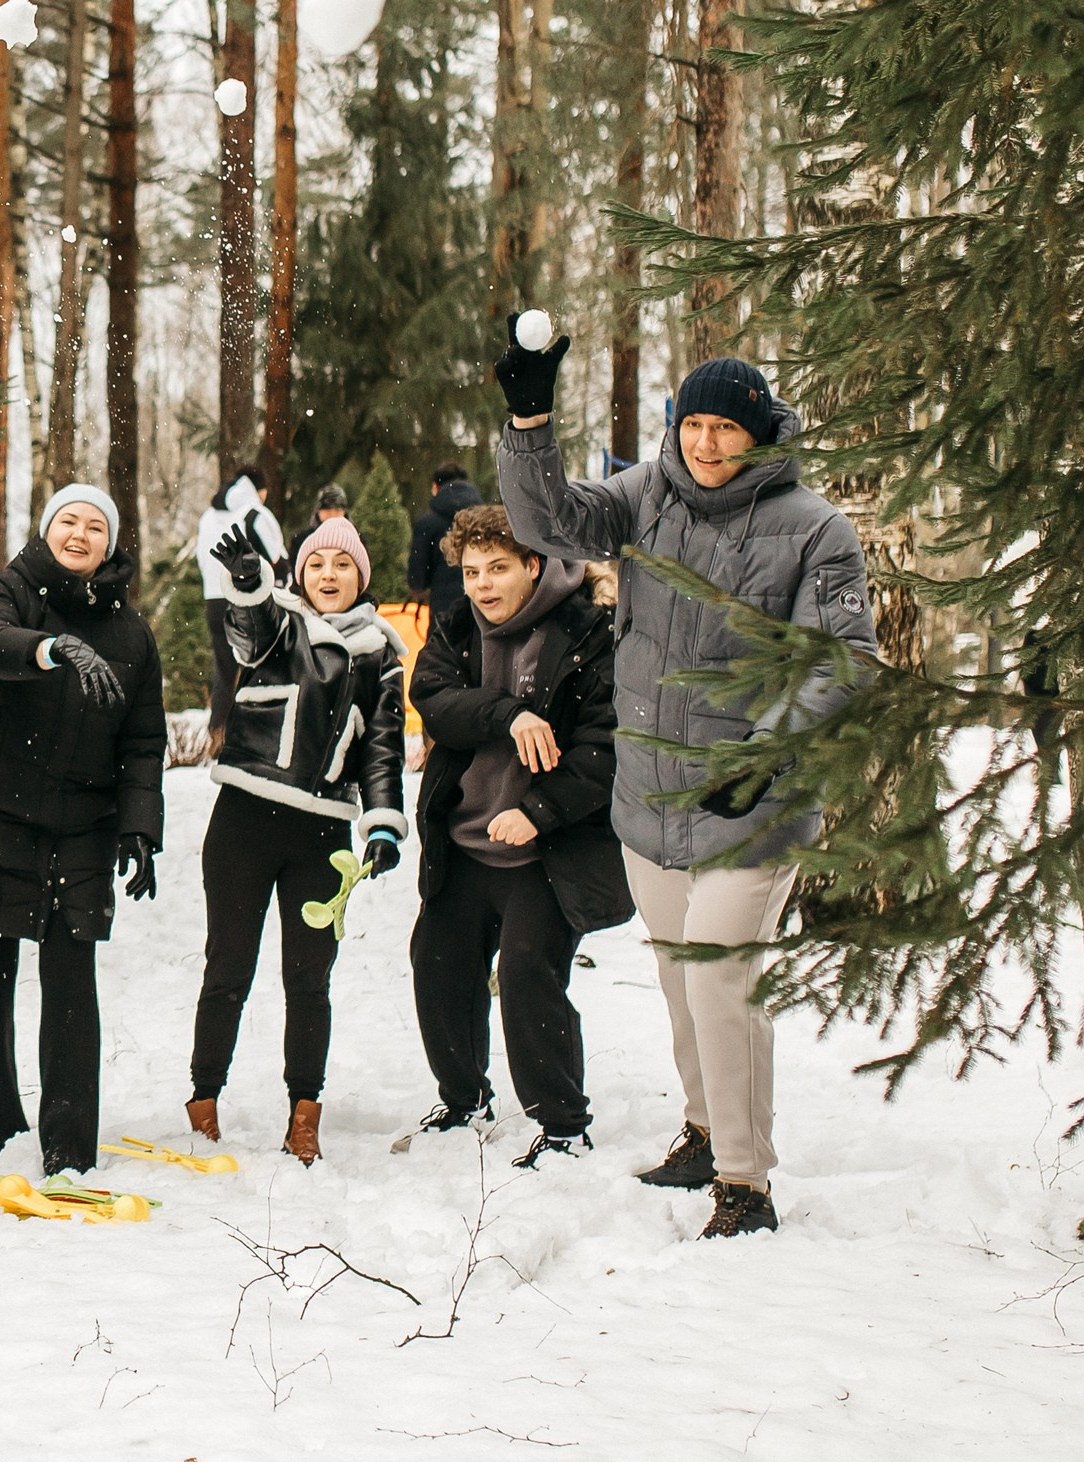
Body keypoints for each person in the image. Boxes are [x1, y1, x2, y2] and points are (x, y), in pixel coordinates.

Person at [495, 321, 877, 1239]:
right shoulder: (648, 493)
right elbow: (552, 524)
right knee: (679, 975)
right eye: (694, 424)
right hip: (654, 800)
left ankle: (745, 1182)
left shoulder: (814, 528)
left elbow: (844, 661)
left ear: (760, 433)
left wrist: (764, 755)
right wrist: (529, 424)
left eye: (726, 428)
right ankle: (705, 1131)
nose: (706, 443)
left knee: (719, 980)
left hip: (752, 801)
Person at [0, 484, 165, 1175]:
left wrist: (140, 827)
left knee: (71, 989)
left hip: (81, 828)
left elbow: (144, 740)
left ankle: (67, 1144)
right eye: (68, 520)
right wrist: (52, 649)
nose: (79, 533)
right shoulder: (4, 591)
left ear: (109, 544)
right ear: (47, 530)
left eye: (95, 526)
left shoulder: (131, 634)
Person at [405, 505, 632, 1167]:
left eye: (497, 568)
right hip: (468, 840)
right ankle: (463, 1098)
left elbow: (605, 746)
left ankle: (563, 1124)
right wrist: (508, 713)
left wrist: (539, 811)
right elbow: (435, 701)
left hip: (549, 848)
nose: (481, 585)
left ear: (535, 564)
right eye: (472, 571)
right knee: (438, 964)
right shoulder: (456, 629)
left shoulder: (589, 633)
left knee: (530, 972)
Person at [187, 514, 407, 1161]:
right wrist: (249, 585)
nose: (329, 574)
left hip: (323, 832)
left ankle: (303, 1115)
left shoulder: (379, 651)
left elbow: (383, 750)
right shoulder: (279, 623)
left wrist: (385, 823)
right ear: (300, 574)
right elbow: (246, 635)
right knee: (228, 968)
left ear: (360, 577)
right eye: (317, 564)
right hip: (244, 819)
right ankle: (204, 1102)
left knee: (309, 979)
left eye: (342, 565)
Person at [193, 466, 282, 746]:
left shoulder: (209, 516)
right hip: (247, 598)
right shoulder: (254, 514)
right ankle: (255, 736)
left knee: (224, 669)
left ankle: (217, 734)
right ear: (260, 489)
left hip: (213, 599)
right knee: (260, 665)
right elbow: (276, 557)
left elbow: (201, 555)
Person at [407, 462, 484, 619]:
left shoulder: (427, 523)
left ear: (436, 487)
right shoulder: (484, 520)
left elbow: (417, 572)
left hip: (443, 605)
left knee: (442, 641)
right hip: (480, 600)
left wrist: (418, 589)